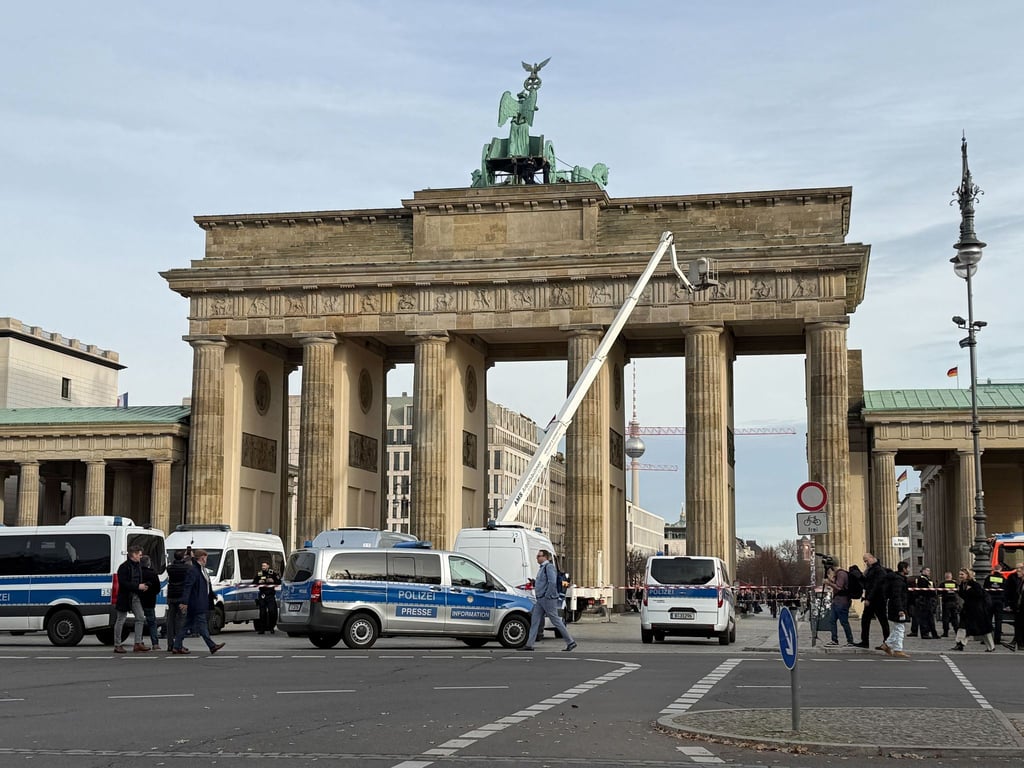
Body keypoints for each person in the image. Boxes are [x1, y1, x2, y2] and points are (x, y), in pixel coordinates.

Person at [171, 549, 225, 655]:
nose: (206, 560)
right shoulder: (194, 570)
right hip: (196, 602)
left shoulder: (202, 570)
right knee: (202, 625)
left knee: (186, 625)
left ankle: (176, 646)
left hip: (200, 601)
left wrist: (212, 594)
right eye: (206, 558)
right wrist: (184, 602)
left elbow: (207, 585)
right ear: (202, 558)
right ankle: (212, 646)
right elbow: (188, 586)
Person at [523, 549, 576, 652]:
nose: (537, 558)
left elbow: (552, 582)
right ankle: (529, 644)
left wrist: (547, 595)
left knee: (555, 620)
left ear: (545, 557)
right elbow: (544, 582)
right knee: (535, 620)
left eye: (539, 556)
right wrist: (534, 583)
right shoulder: (542, 568)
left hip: (547, 599)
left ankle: (570, 642)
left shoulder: (549, 567)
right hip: (541, 599)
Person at [113, 545, 151, 654]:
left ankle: (138, 643)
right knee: (121, 619)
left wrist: (144, 585)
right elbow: (123, 583)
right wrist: (138, 586)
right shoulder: (124, 567)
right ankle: (117, 644)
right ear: (133, 554)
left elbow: (139, 579)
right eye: (139, 554)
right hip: (125, 596)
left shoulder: (138, 566)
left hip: (135, 595)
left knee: (140, 617)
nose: (141, 556)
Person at [952, 567, 995, 652]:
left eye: (962, 574)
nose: (960, 576)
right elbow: (964, 596)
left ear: (967, 575)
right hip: (967, 610)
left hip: (977, 610)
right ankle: (959, 644)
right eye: (960, 574)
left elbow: (979, 594)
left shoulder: (974, 584)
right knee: (963, 627)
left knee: (983, 629)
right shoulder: (962, 585)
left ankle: (991, 646)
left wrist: (969, 591)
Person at [855, 553, 889, 648]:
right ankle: (865, 641)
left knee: (882, 621)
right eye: (864, 561)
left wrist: (868, 598)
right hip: (873, 599)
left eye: (866, 560)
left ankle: (887, 642)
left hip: (877, 599)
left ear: (872, 558)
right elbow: (868, 584)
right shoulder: (871, 569)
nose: (866, 563)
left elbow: (875, 586)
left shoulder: (878, 570)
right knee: (866, 620)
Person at [881, 561, 911, 658]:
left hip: (897, 606)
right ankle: (898, 649)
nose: (909, 569)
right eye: (908, 568)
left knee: (898, 628)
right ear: (904, 569)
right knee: (900, 628)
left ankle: (886, 645)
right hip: (898, 607)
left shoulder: (898, 579)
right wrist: (900, 609)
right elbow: (896, 596)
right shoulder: (898, 580)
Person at [165, 549, 191, 652]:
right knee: (181, 620)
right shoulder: (187, 568)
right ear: (183, 557)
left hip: (171, 595)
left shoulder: (170, 568)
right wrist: (189, 558)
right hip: (181, 595)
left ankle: (170, 644)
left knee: (170, 620)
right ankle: (178, 644)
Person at [824, 564, 855, 646]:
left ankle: (850, 640)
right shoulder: (838, 574)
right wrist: (831, 581)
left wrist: (829, 583)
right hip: (836, 601)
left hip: (842, 602)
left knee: (844, 622)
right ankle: (834, 640)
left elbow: (839, 587)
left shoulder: (841, 574)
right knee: (832, 621)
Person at [138, 554, 161, 650]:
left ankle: (139, 641)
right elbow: (157, 588)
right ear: (149, 563)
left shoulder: (137, 573)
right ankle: (155, 643)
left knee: (139, 622)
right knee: (152, 622)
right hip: (150, 601)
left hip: (138, 600)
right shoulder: (153, 574)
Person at [253, 560, 281, 634]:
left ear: (268, 566)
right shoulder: (259, 573)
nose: (263, 567)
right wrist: (258, 582)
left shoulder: (272, 573)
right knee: (262, 613)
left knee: (272, 611)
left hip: (270, 595)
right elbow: (254, 582)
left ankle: (271, 627)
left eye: (264, 566)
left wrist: (273, 581)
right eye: (262, 566)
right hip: (262, 595)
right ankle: (262, 629)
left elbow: (279, 582)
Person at [912, 567, 939, 639]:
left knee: (930, 617)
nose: (929, 572)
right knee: (924, 617)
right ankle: (925, 633)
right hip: (923, 600)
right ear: (923, 571)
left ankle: (933, 633)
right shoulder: (921, 579)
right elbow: (924, 590)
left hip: (929, 599)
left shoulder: (928, 579)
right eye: (927, 570)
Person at [1003, 562, 1024, 651]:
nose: (1017, 570)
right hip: (1019, 607)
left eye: (1020, 569)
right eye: (1017, 568)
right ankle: (1016, 643)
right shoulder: (1019, 581)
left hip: (1021, 607)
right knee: (1019, 626)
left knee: (1020, 626)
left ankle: (1016, 643)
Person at [983, 568, 1007, 645]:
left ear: (994, 570)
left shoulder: (988, 578)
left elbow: (984, 589)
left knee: (988, 620)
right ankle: (997, 639)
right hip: (999, 602)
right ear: (1000, 569)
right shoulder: (1003, 579)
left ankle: (987, 639)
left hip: (989, 601)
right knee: (998, 621)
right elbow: (1005, 591)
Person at [939, 571, 960, 637]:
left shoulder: (943, 584)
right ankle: (956, 631)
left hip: (946, 602)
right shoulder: (955, 583)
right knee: (955, 617)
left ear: (945, 577)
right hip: (954, 602)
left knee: (945, 618)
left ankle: (945, 632)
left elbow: (939, 592)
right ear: (951, 576)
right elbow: (958, 591)